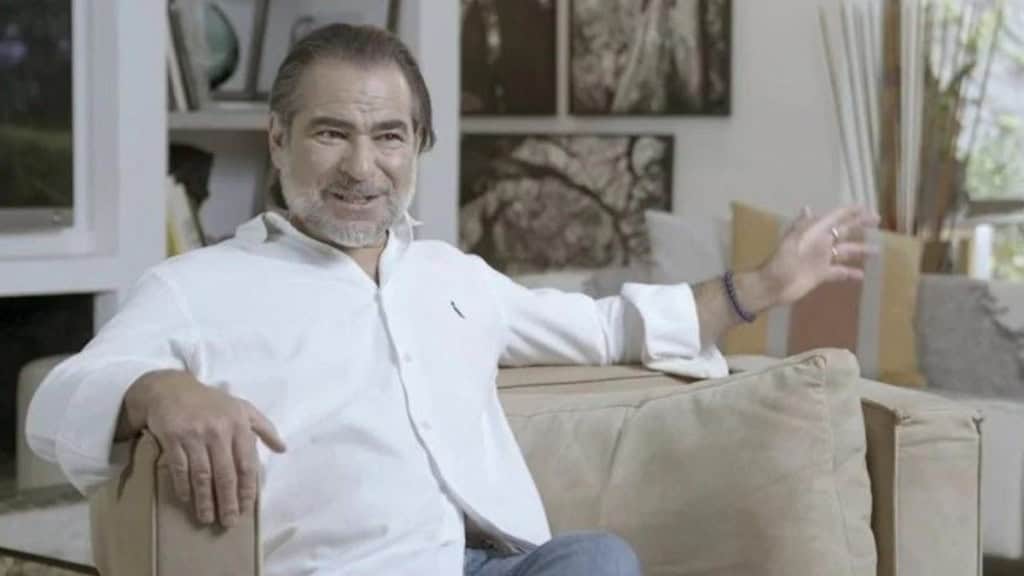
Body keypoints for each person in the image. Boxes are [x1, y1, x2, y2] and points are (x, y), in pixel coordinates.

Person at [26, 23, 877, 576]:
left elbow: (611, 326)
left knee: (597, 561)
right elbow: (57, 401)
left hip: (482, 565)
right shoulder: (198, 285)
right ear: (278, 141)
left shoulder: (454, 276)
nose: (363, 167)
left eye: (388, 136)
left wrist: (765, 285)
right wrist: (158, 389)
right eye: (332, 133)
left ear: (417, 147)